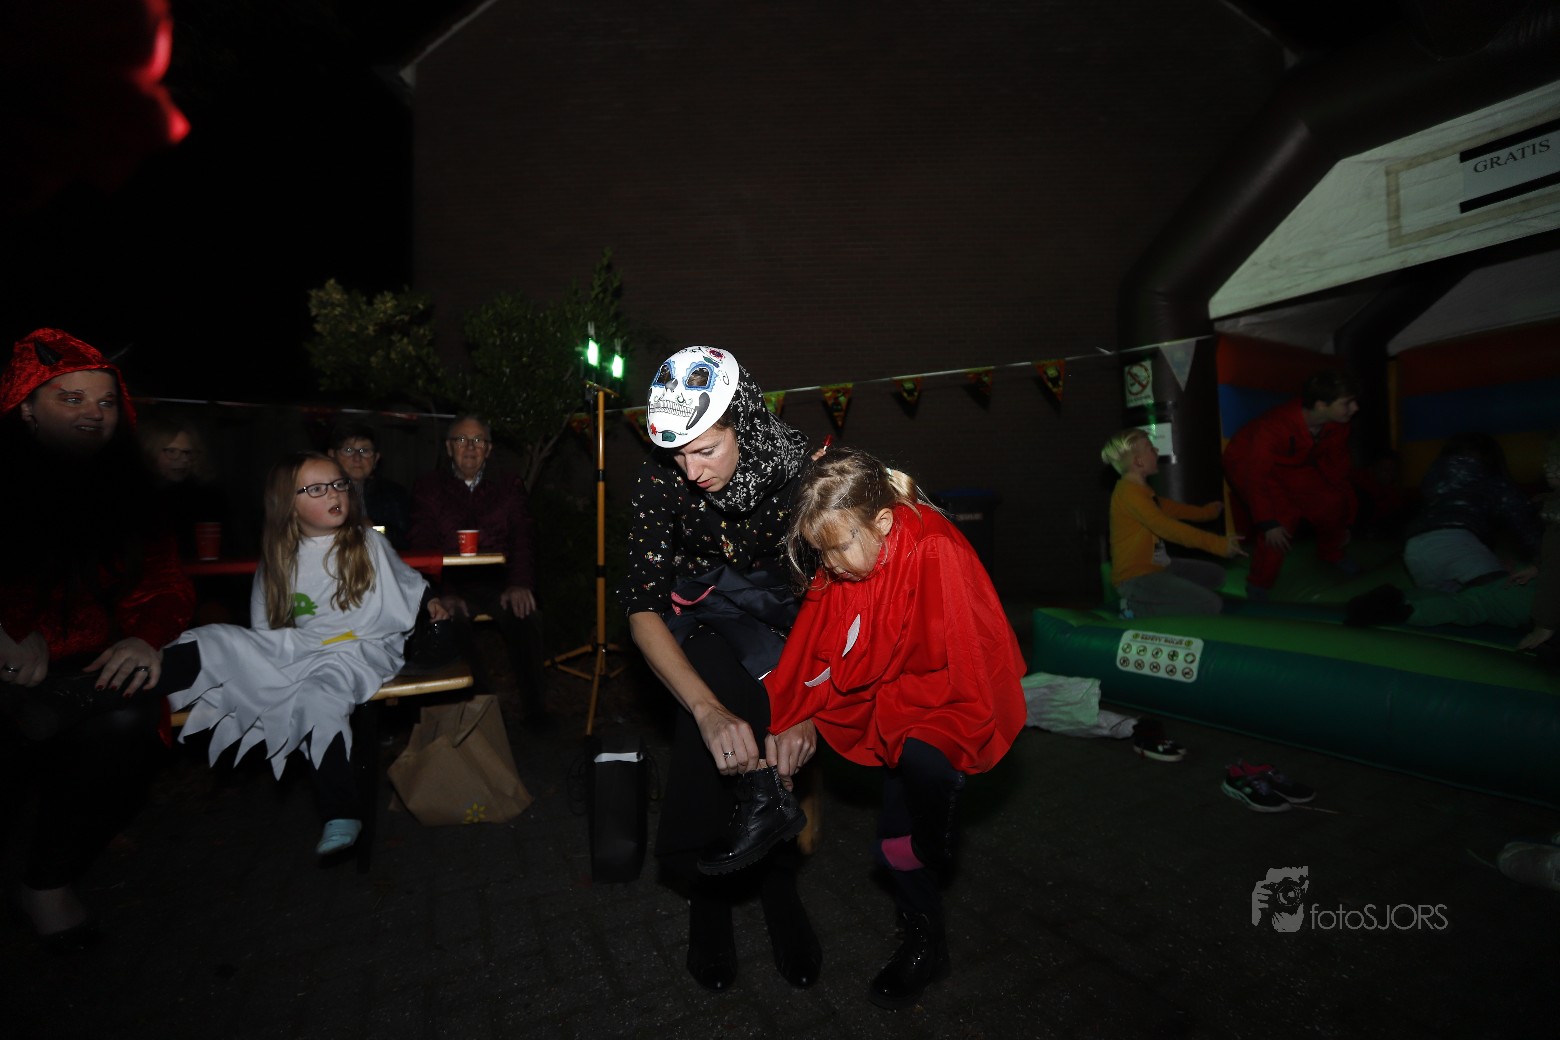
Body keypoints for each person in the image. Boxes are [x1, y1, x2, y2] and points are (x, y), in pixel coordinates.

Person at [705, 445, 1026, 1009]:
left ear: (882, 521)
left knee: (920, 782)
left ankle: (927, 911)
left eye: (837, 547)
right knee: (893, 839)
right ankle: (924, 927)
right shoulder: (849, 550)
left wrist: (955, 728)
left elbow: (971, 648)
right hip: (892, 699)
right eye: (820, 552)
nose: (830, 565)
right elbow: (818, 637)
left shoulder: (936, 547)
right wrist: (795, 711)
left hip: (943, 698)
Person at [617, 345, 821, 993]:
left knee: (770, 719)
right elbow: (641, 607)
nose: (690, 470)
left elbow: (837, 600)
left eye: (705, 450)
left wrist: (807, 709)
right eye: (678, 454)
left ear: (745, 425)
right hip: (698, 611)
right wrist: (706, 712)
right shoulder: (661, 478)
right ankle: (709, 894)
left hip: (789, 618)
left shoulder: (801, 474)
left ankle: (778, 886)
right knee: (711, 710)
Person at [0, 328, 195, 949]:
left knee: (127, 722)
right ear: (26, 408)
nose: (93, 413)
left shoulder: (132, 496)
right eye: (72, 398)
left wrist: (145, 638)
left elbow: (166, 584)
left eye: (106, 401)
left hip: (86, 669)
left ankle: (47, 884)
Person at [157, 451, 444, 856]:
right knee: (216, 639)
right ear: (287, 504)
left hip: (358, 647)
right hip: (299, 646)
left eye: (339, 484)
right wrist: (262, 659)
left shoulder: (367, 541)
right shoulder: (278, 555)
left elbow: (409, 584)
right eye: (317, 488)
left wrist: (433, 603)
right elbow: (265, 631)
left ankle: (340, 810)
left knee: (318, 696)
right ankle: (126, 684)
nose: (334, 494)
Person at [407, 415, 549, 725]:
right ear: (449, 447)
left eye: (478, 441)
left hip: (499, 581)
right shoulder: (429, 487)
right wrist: (444, 592)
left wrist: (519, 583)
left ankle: (536, 711)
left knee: (526, 616)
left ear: (489, 449)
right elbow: (422, 543)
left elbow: (523, 536)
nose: (470, 447)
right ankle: (483, 712)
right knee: (448, 621)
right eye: (461, 440)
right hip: (452, 583)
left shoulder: (508, 485)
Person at [1222, 369, 1361, 599]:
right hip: (1245, 461)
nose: (1355, 408)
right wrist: (1268, 523)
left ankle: (1331, 553)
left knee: (1331, 502)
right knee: (1282, 519)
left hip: (1290, 462)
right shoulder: (1274, 427)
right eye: (1347, 403)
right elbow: (1255, 477)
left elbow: (1338, 474)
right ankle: (1259, 583)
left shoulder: (1337, 425)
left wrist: (1347, 521)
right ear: (1321, 405)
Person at [1101, 427, 1245, 618]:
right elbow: (1166, 527)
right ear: (1139, 461)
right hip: (1135, 577)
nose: (1156, 451)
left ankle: (1164, 595)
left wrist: (1208, 512)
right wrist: (1218, 544)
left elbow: (1174, 509)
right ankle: (1134, 608)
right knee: (1210, 605)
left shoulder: (1143, 492)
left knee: (1217, 575)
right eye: (1151, 448)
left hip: (1160, 568)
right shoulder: (1128, 494)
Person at [1400, 432, 1541, 593]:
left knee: (1449, 604)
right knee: (1505, 596)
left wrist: (1488, 561)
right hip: (1454, 542)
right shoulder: (1492, 479)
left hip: (1412, 547)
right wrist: (1544, 560)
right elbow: (1523, 522)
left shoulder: (1433, 477)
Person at [136, 407, 232, 560]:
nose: (183, 459)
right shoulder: (135, 499)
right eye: (172, 451)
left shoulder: (208, 500)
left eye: (188, 452)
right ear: (150, 451)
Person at [328, 421, 412, 550]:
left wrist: (375, 528)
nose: (357, 458)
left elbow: (404, 539)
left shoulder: (393, 494)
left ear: (376, 458)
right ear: (332, 455)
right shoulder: (321, 492)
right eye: (348, 450)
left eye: (365, 451)